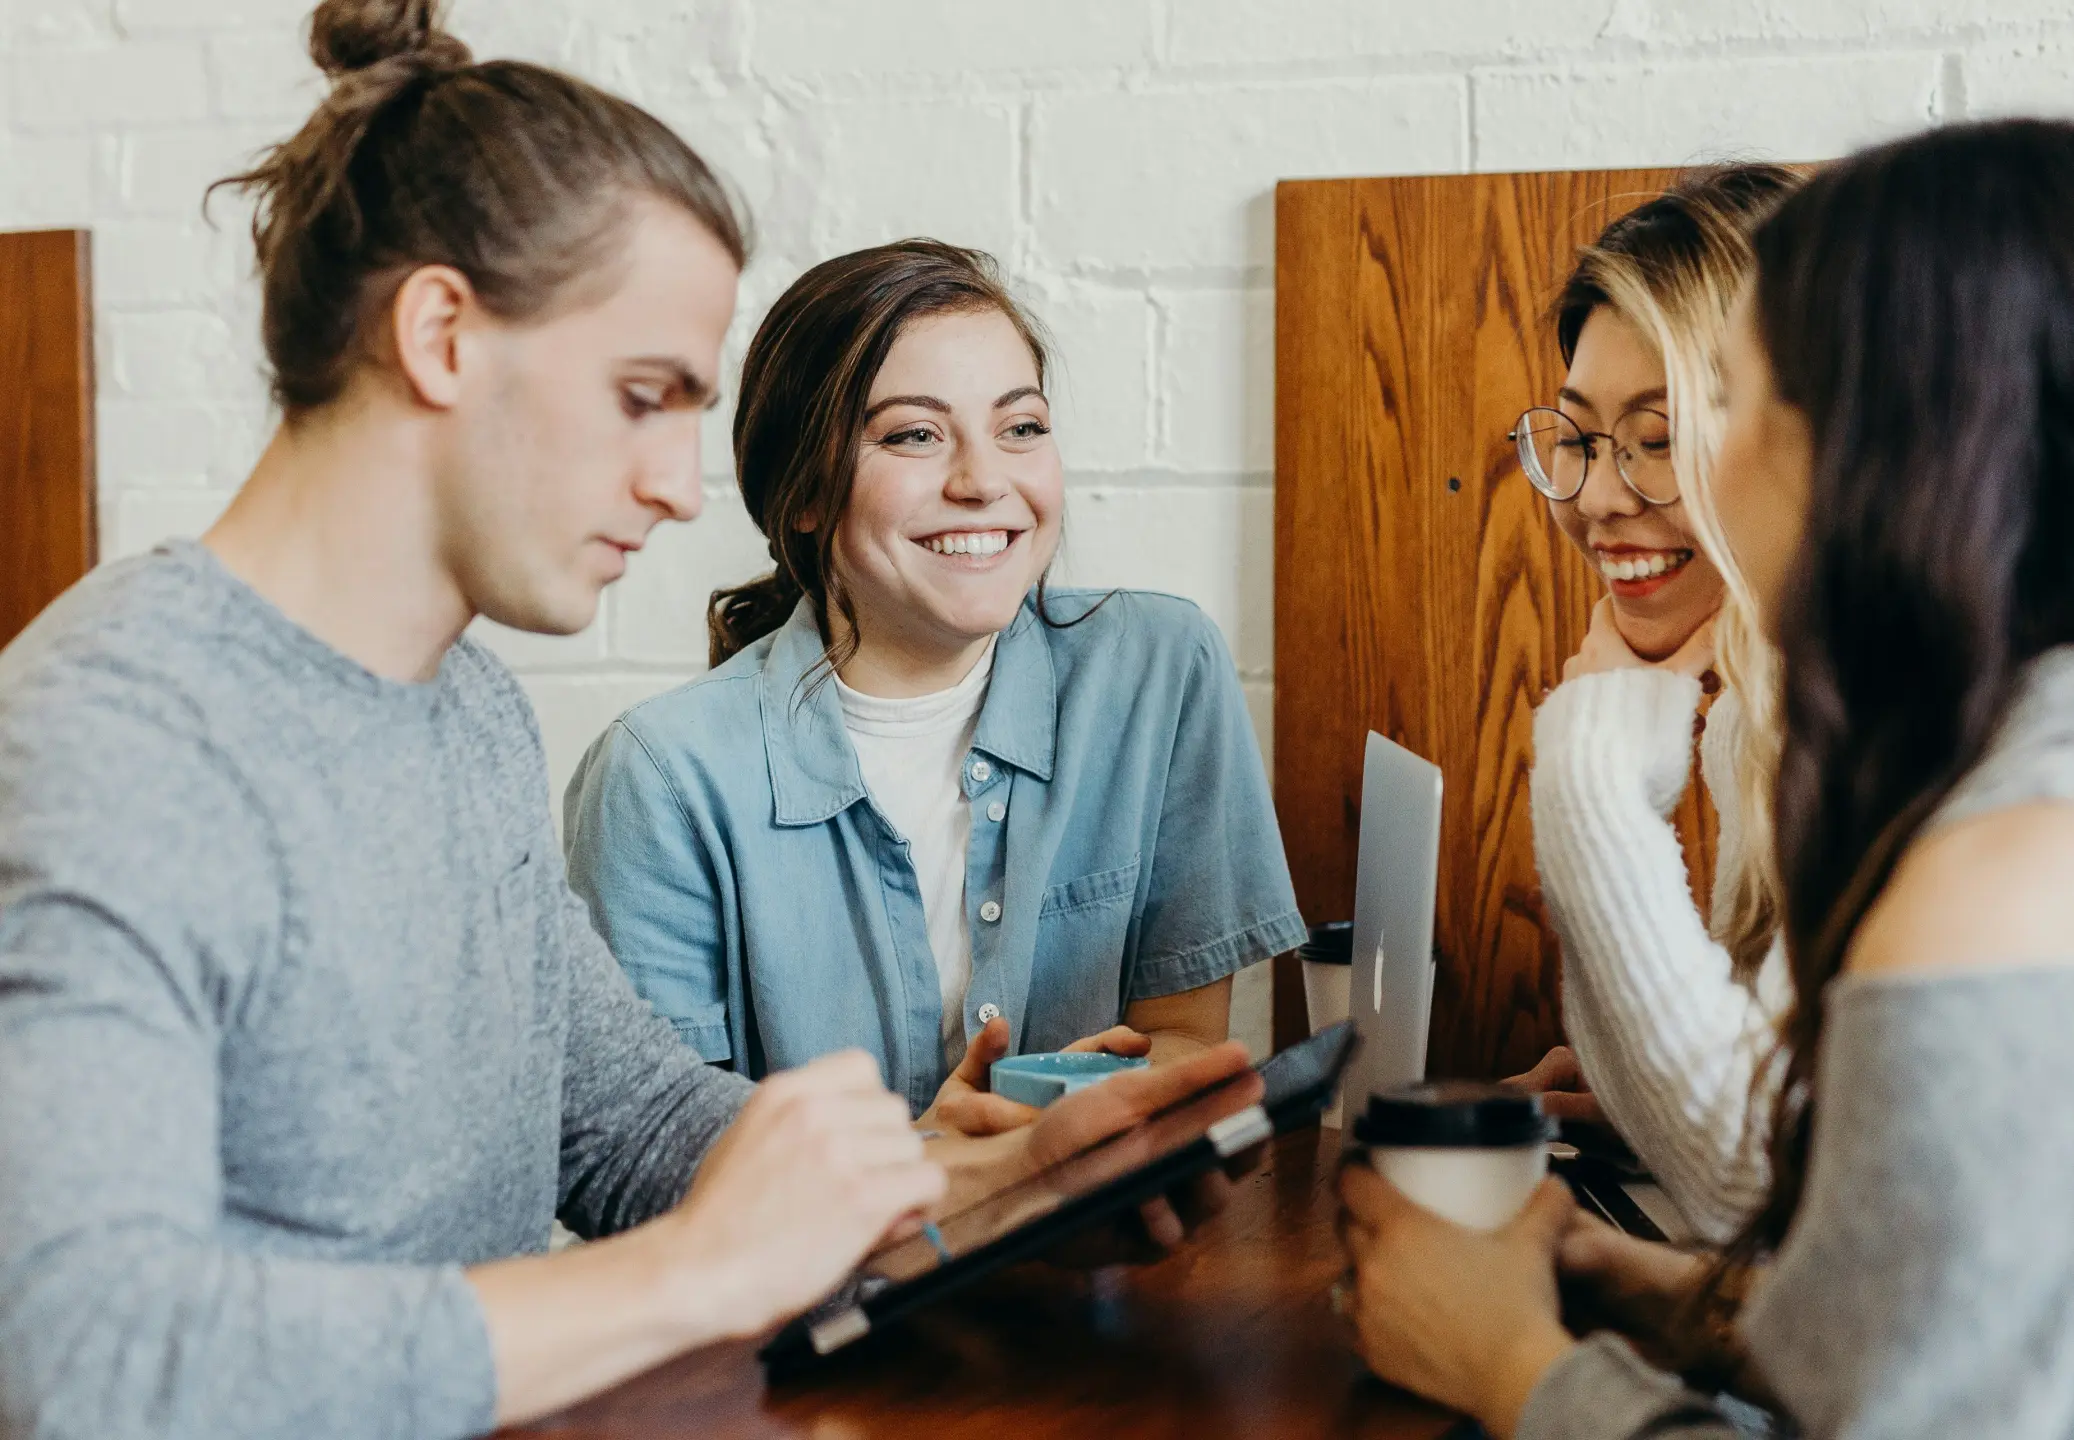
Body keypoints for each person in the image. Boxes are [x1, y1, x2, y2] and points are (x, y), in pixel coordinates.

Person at [0, 5, 1258, 1436]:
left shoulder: (459, 705)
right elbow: (80, 1357)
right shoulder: (113, 740)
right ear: (441, 337)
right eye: (642, 398)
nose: (677, 486)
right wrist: (699, 1271)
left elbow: (630, 1123)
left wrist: (978, 1192)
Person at [1339, 117, 2074, 1438]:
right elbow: (1906, 1322)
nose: (1603, 496)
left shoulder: (1998, 862)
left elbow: (1767, 1185)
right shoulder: (1974, 749)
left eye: (1722, 404)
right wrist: (1666, 1302)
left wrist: (1514, 1367)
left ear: (1894, 439)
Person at [564, 239, 1305, 1127]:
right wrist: (941, 1167)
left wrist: (1075, 1117)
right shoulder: (661, 778)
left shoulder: (1158, 670)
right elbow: (659, 1160)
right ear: (802, 493)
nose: (984, 481)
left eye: (1020, 427)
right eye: (914, 435)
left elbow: (1185, 1040)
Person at [1503, 166, 1801, 1242]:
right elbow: (1779, 1143)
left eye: (1659, 436)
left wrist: (1588, 771)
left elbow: (1751, 1188)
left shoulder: (1883, 726)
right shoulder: (1756, 714)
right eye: (1577, 438)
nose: (1595, 496)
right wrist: (1637, 1093)